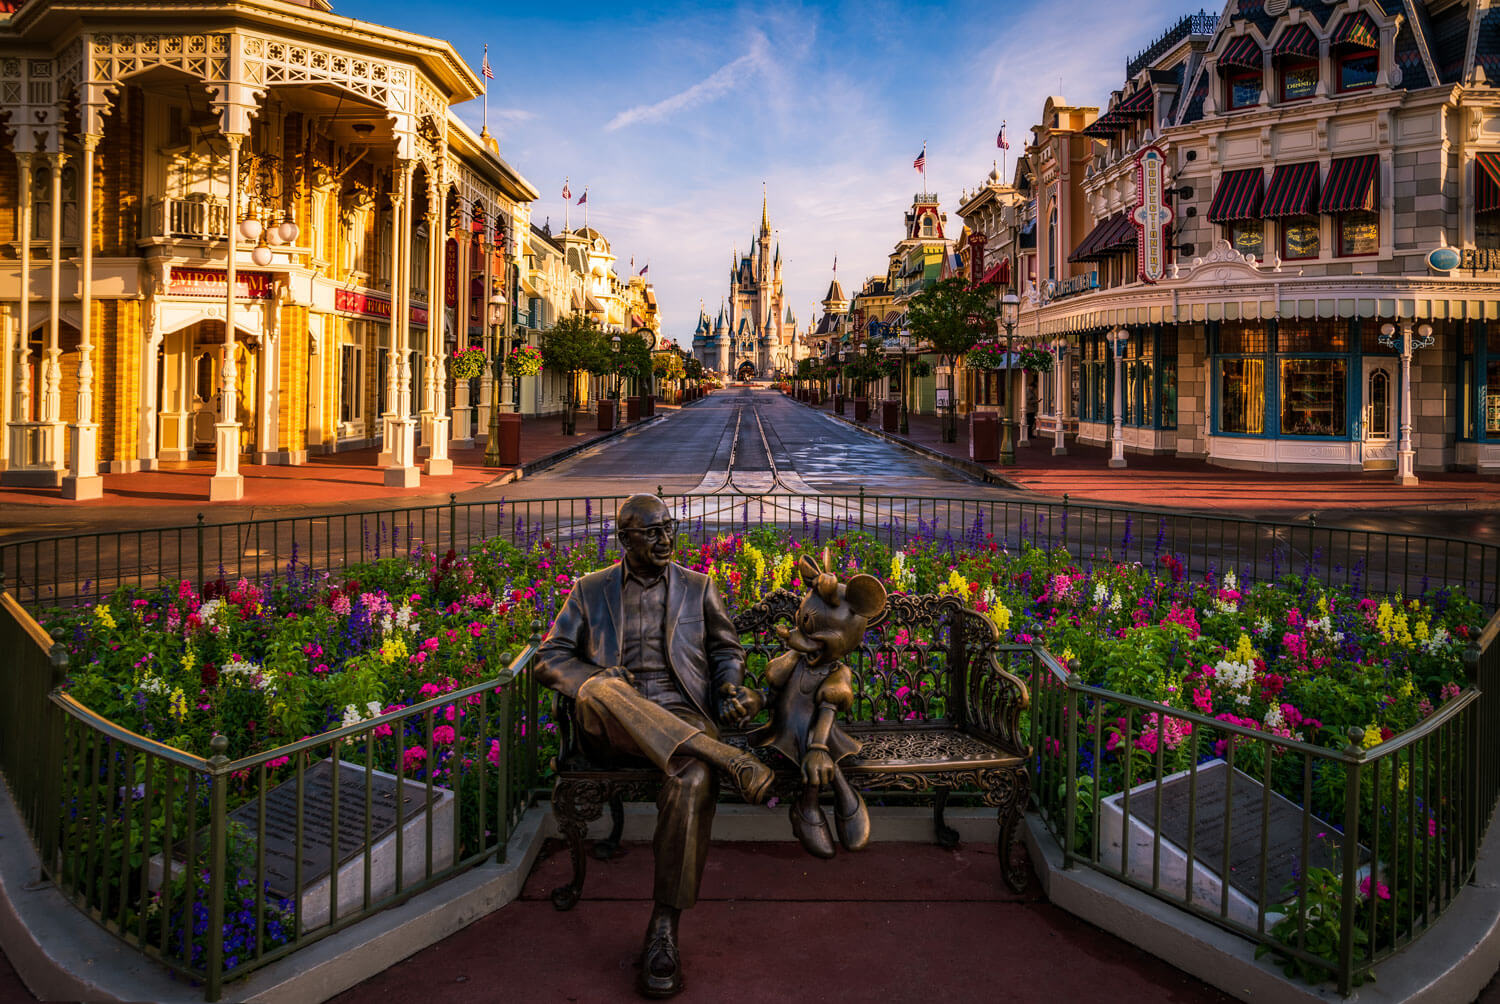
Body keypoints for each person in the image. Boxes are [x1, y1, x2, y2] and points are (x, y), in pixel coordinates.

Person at [536, 494, 772, 999]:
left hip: (679, 714)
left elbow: (725, 649)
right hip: (609, 725)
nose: (665, 539)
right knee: (602, 689)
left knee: (691, 776)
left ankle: (664, 925)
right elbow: (549, 657)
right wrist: (596, 679)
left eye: (670, 528)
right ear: (624, 538)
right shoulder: (590, 590)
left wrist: (728, 686)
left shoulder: (698, 587)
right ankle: (727, 756)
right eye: (652, 532)